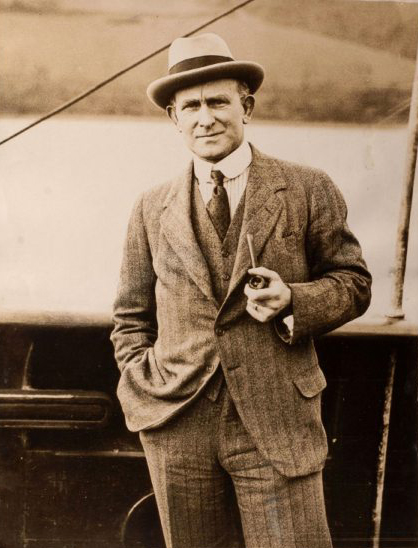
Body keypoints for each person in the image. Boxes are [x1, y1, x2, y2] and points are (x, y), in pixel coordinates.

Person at [111, 33, 372, 548]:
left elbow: (354, 283)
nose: (205, 118)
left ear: (245, 107)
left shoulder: (307, 187)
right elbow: (130, 316)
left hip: (278, 420)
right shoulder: (151, 206)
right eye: (191, 107)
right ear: (174, 118)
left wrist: (293, 300)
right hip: (177, 423)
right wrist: (146, 383)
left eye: (218, 102)